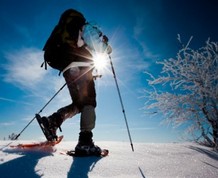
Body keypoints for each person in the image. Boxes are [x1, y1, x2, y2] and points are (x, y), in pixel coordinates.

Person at [40, 9, 112, 156]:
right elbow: (98, 46)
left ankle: (53, 121)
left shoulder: (68, 33)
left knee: (79, 104)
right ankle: (85, 143)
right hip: (79, 66)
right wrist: (106, 47)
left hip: (67, 68)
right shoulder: (86, 27)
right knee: (89, 102)